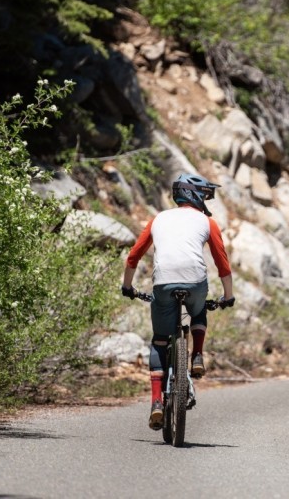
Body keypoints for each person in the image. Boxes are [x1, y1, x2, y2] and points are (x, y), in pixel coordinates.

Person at [121, 173, 235, 431]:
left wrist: (128, 287)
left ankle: (156, 403)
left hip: (163, 283)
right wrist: (228, 296)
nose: (207, 199)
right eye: (205, 194)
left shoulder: (158, 219)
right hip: (195, 282)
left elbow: (133, 257)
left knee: (160, 340)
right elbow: (222, 264)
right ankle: (196, 355)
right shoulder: (208, 223)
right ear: (194, 194)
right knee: (199, 311)